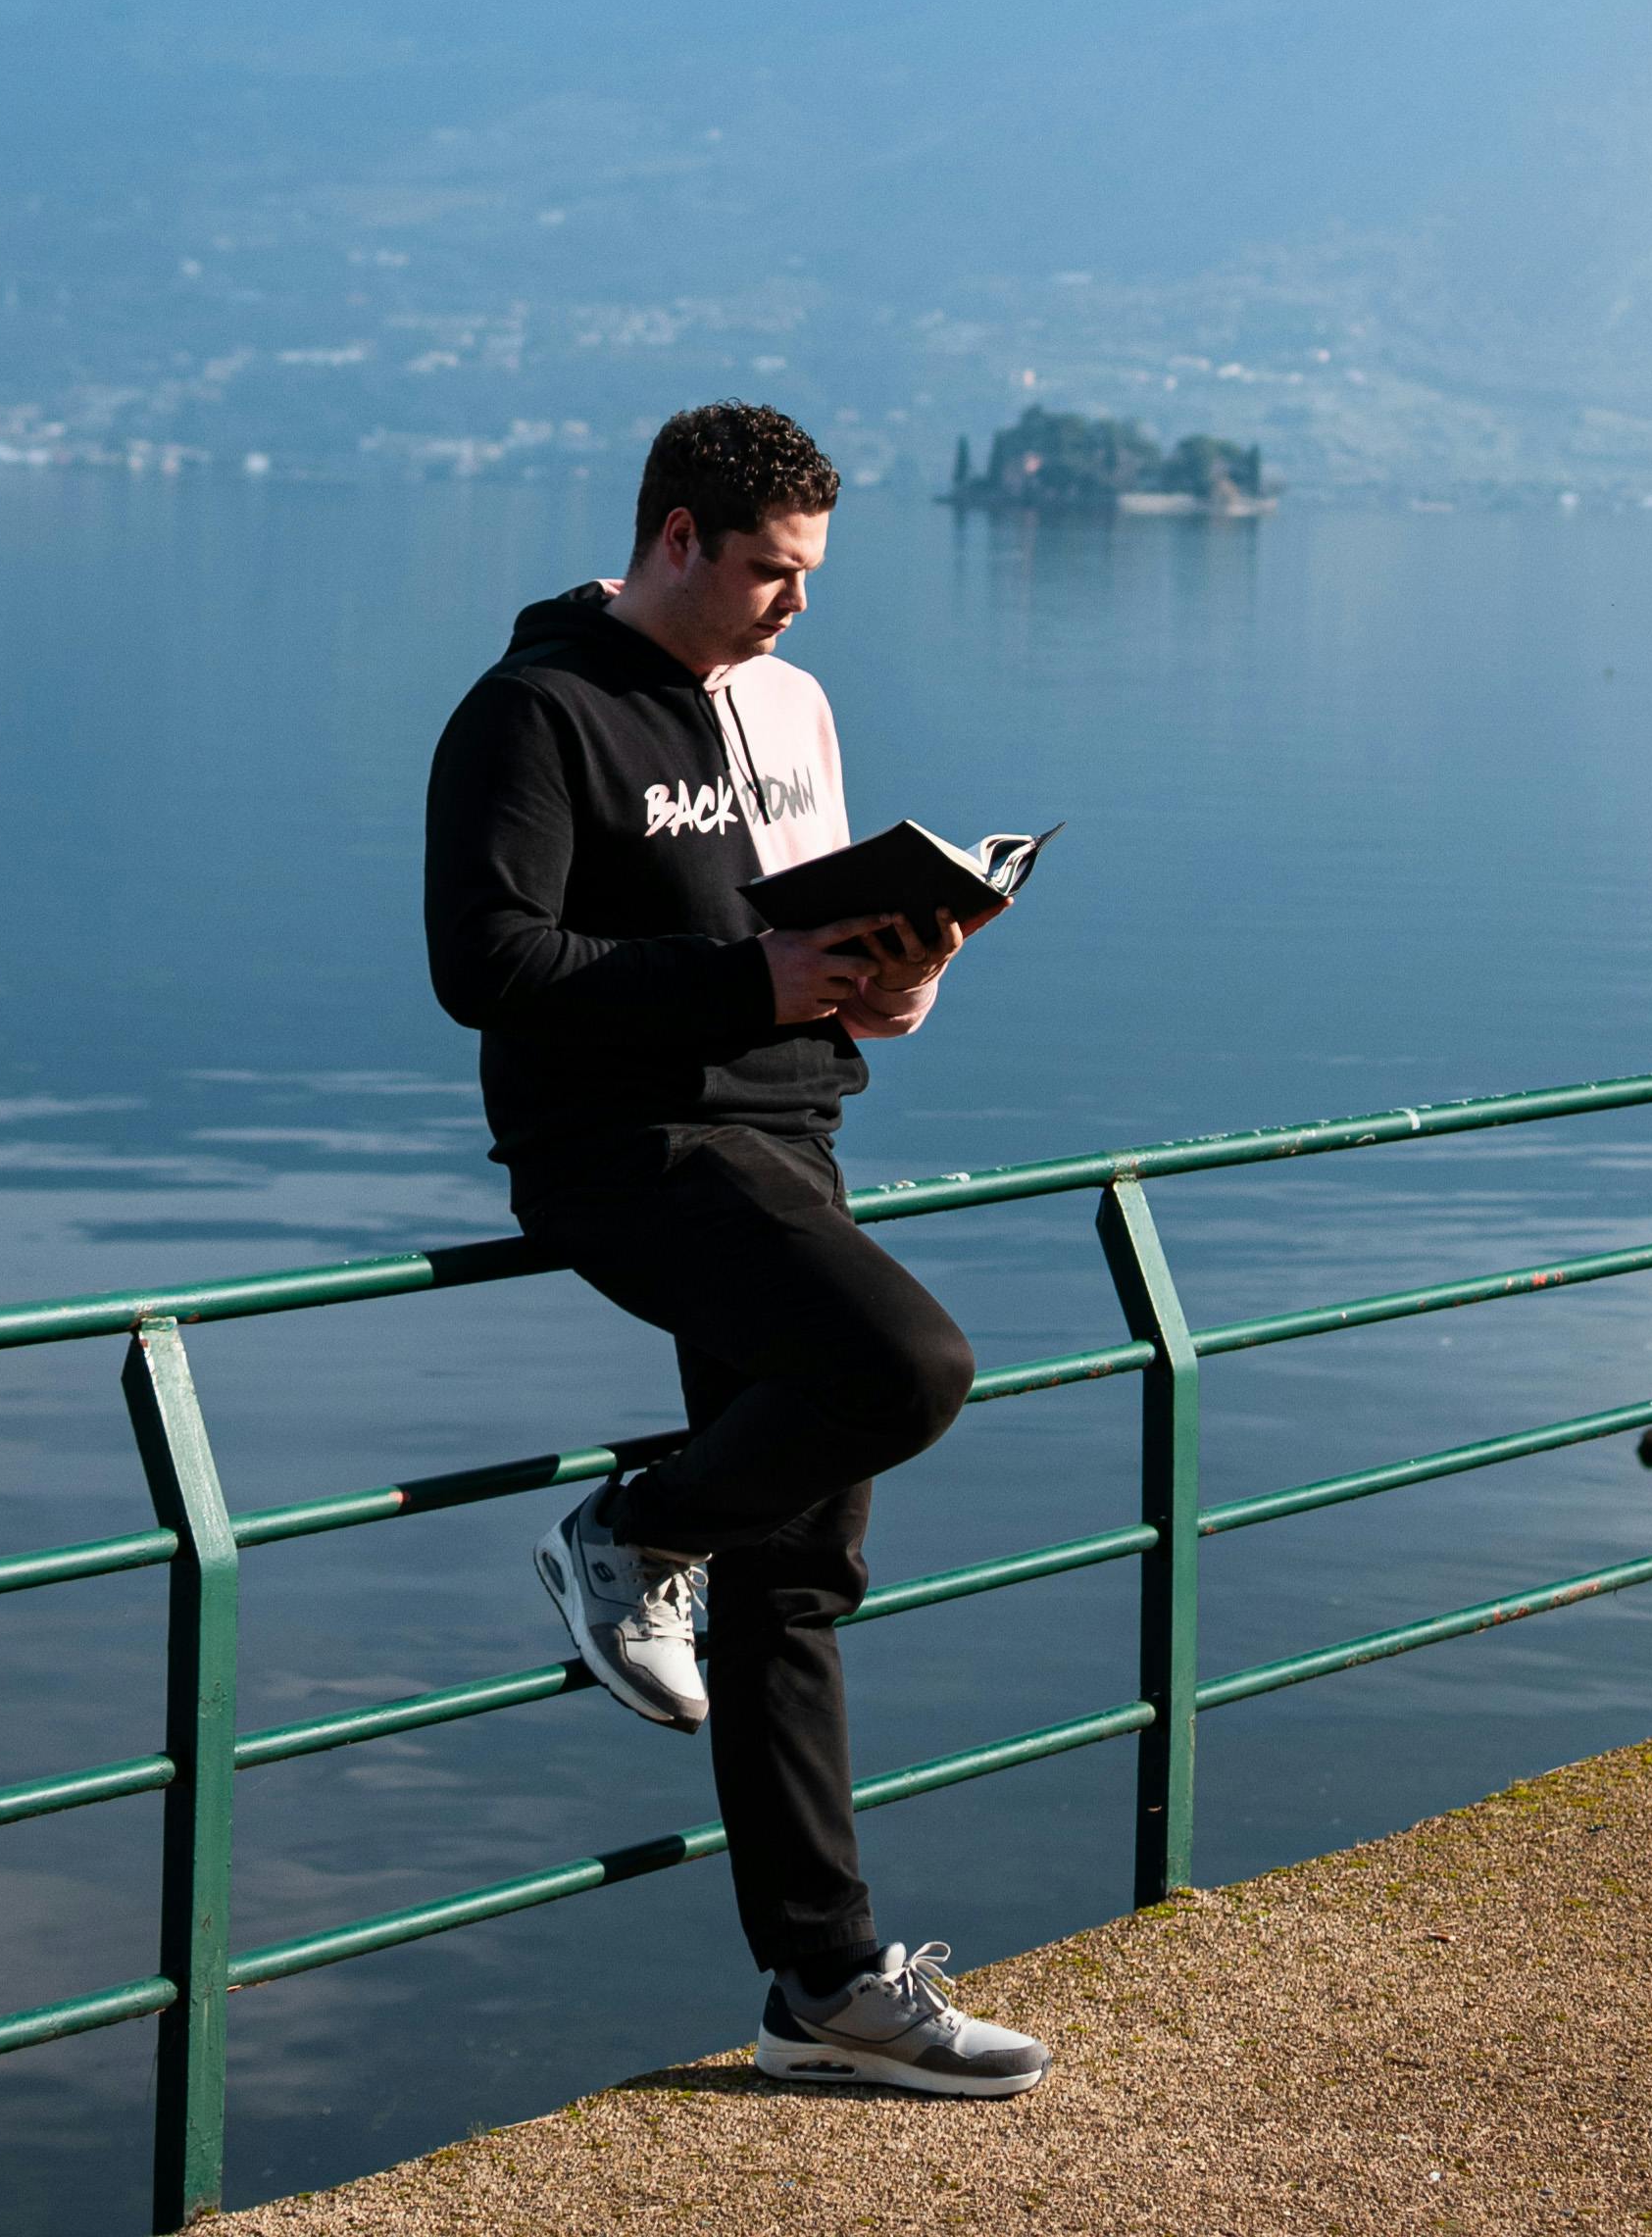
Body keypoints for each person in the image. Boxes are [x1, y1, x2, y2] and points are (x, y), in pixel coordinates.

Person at [424, 400, 1052, 2101]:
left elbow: (798, 925)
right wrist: (738, 990)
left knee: (798, 1584)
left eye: (814, 575)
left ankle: (826, 1988)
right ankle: (627, 1533)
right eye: (772, 571)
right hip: (627, 1147)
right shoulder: (532, 711)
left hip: (791, 1133)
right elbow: (486, 965)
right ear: (677, 538)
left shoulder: (793, 704)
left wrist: (897, 972)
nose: (796, 605)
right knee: (907, 1367)